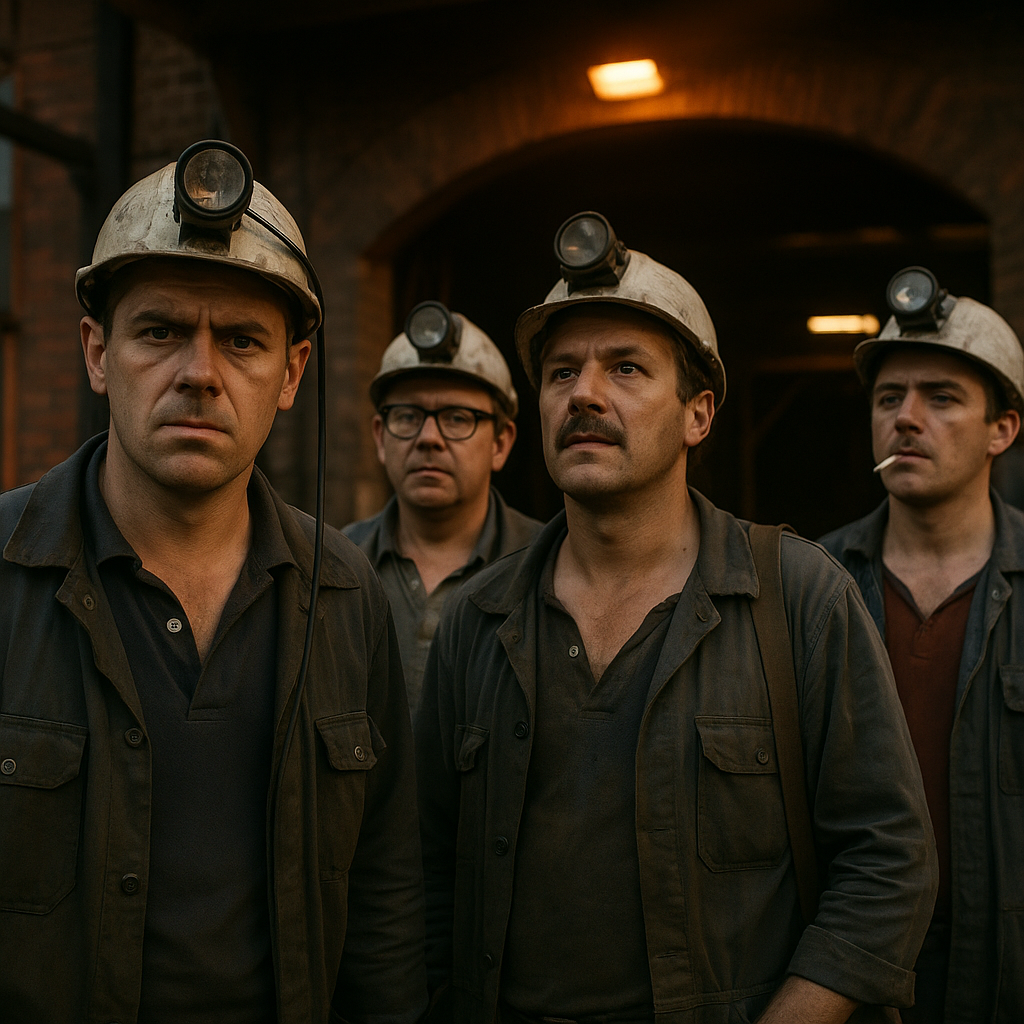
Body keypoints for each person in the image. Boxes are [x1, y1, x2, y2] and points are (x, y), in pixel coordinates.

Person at [416, 213, 938, 1024]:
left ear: (698, 415)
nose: (584, 393)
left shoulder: (798, 599)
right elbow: (424, 875)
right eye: (561, 373)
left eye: (626, 369)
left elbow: (890, 861)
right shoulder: (477, 622)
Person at [0, 142, 426, 1024]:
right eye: (159, 331)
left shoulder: (348, 598)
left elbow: (384, 896)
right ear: (95, 351)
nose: (200, 373)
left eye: (241, 341)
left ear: (292, 375)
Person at [820, 267, 1024, 1023]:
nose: (906, 419)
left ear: (1002, 428)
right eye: (888, 399)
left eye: (941, 399)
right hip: (854, 981)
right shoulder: (812, 584)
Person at [344, 302, 541, 716]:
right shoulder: (334, 566)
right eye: (408, 415)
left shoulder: (551, 568)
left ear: (501, 442)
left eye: (456, 418)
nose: (428, 438)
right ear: (380, 437)